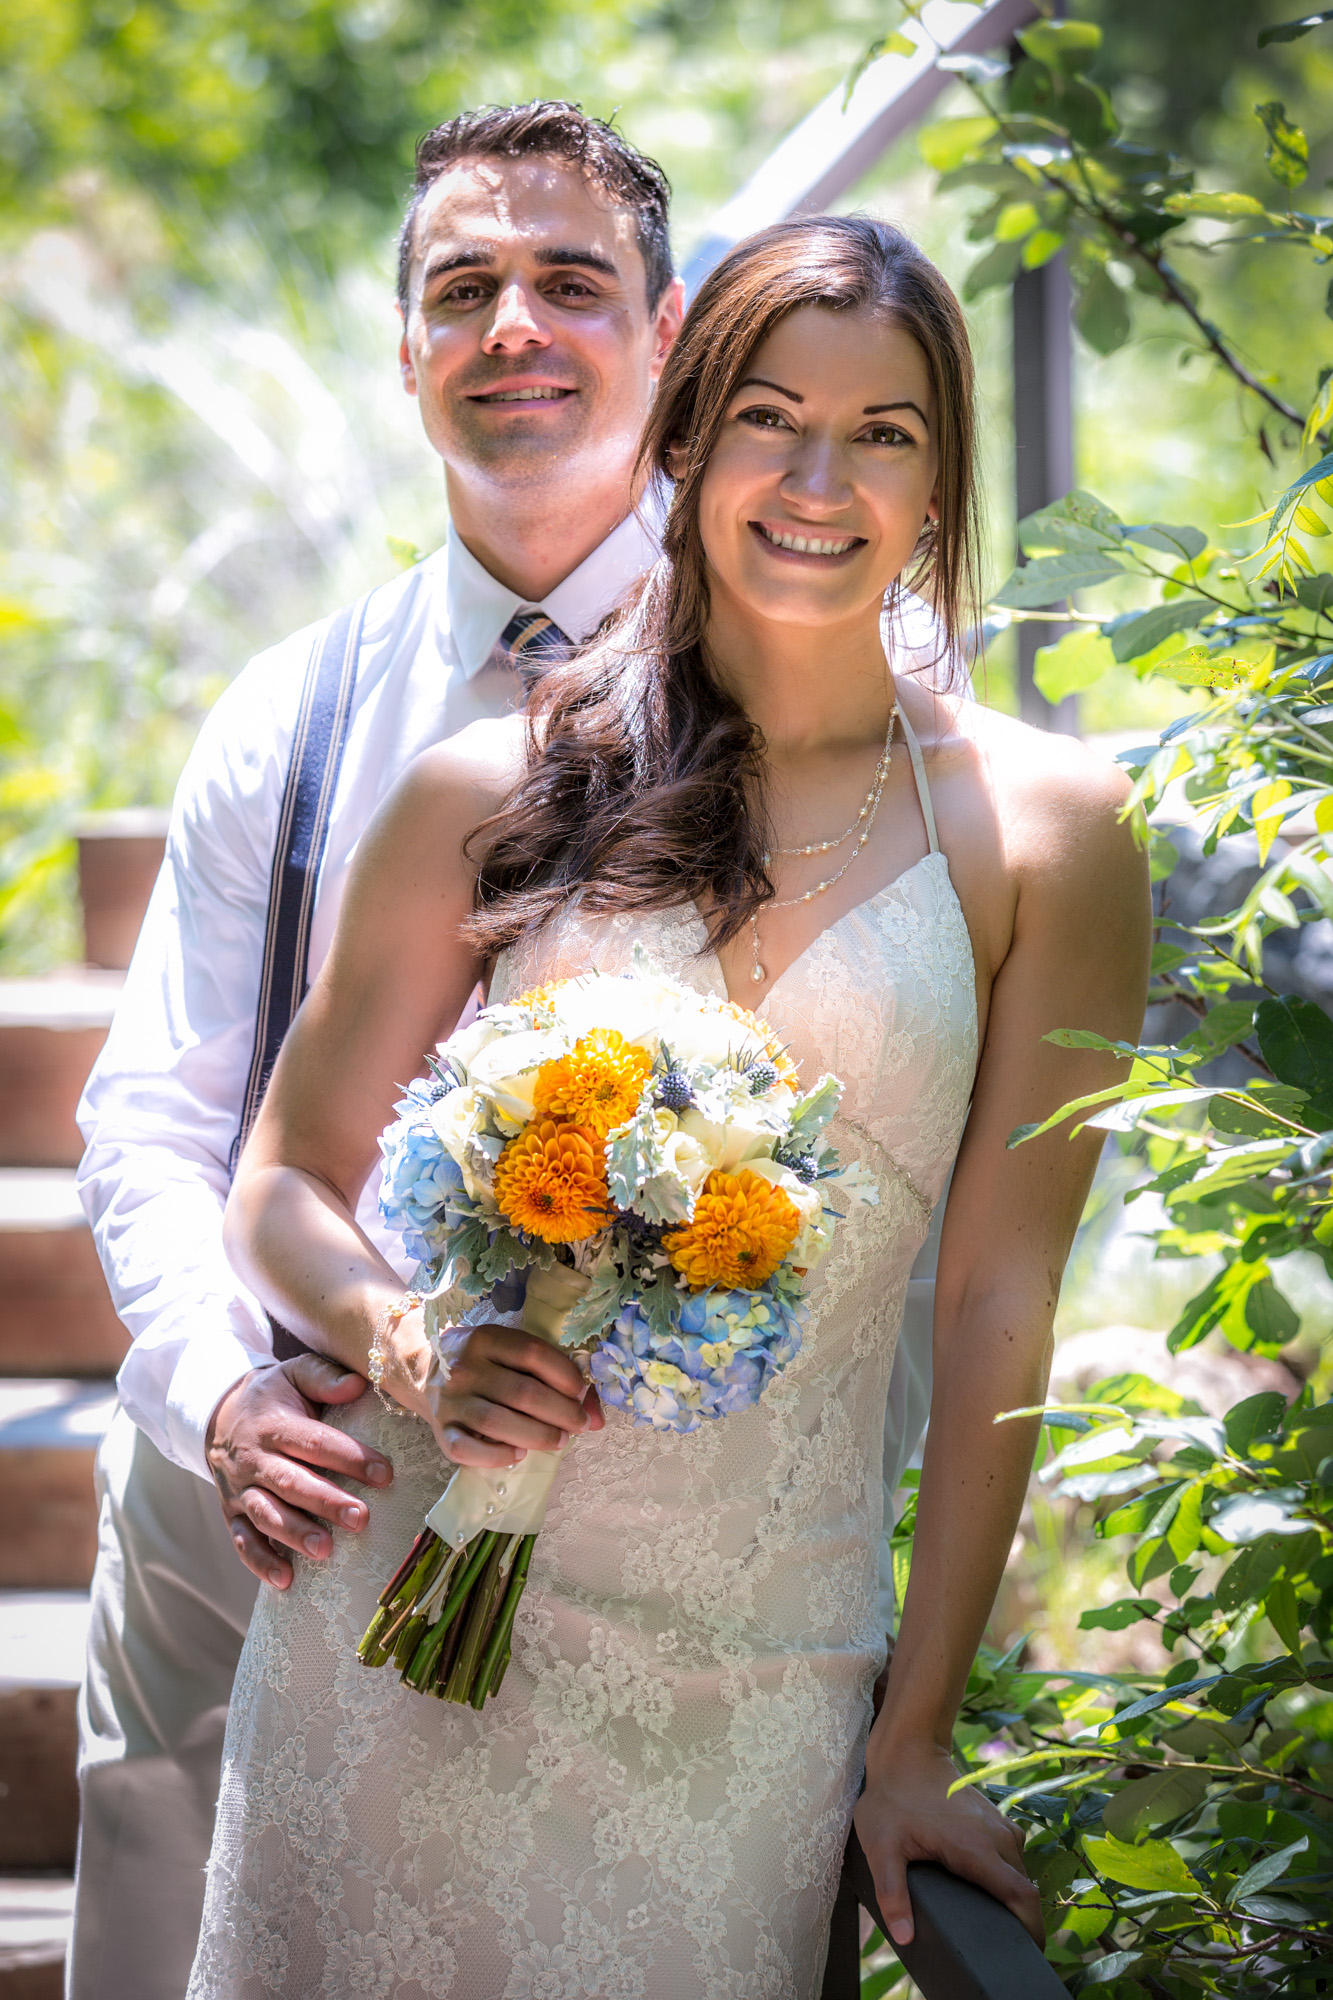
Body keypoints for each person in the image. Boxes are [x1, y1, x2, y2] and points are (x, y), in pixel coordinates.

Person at [190, 215, 1150, 1997]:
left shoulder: (1049, 830)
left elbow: (997, 1297)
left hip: (754, 1674)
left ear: (941, 479)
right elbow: (279, 1183)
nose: (818, 478)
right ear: (684, 443)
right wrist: (406, 1341)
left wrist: (915, 1734)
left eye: (884, 433)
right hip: (393, 1636)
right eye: (772, 417)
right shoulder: (495, 782)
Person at [70, 100, 685, 2000]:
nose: (514, 323)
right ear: (404, 351)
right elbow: (158, 1110)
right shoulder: (295, 705)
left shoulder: (787, 700)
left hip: (635, 1502)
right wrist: (219, 1403)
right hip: (270, 1464)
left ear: (665, 339)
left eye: (570, 281)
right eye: (461, 287)